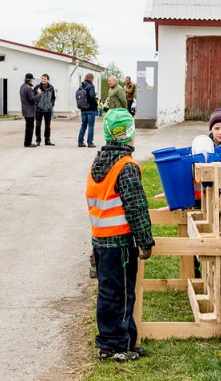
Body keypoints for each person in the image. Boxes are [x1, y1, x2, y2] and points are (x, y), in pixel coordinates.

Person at [85, 108, 155, 361]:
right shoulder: (126, 167)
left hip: (101, 241)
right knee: (123, 294)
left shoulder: (98, 163)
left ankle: (123, 340)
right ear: (131, 136)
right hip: (120, 244)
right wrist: (145, 241)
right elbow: (136, 207)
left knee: (109, 292)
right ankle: (115, 346)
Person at [33, 74, 56, 146]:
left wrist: (51, 104)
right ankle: (38, 140)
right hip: (39, 110)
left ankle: (47, 140)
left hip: (48, 110)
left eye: (45, 79)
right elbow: (33, 97)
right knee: (38, 125)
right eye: (42, 78)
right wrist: (36, 105)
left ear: (48, 79)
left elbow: (53, 97)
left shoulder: (51, 88)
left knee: (48, 126)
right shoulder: (37, 87)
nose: (43, 80)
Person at [78, 73, 98, 148]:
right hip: (90, 109)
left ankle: (80, 142)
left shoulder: (81, 86)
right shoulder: (91, 86)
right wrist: (95, 104)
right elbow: (92, 97)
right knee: (91, 126)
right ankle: (90, 142)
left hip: (83, 109)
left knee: (83, 125)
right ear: (92, 78)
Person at [20, 73, 39, 148]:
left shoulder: (22, 86)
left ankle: (27, 142)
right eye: (32, 79)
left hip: (25, 109)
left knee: (28, 126)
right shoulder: (28, 88)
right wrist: (38, 94)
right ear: (31, 79)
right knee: (30, 127)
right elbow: (32, 99)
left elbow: (28, 96)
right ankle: (28, 143)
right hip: (29, 111)